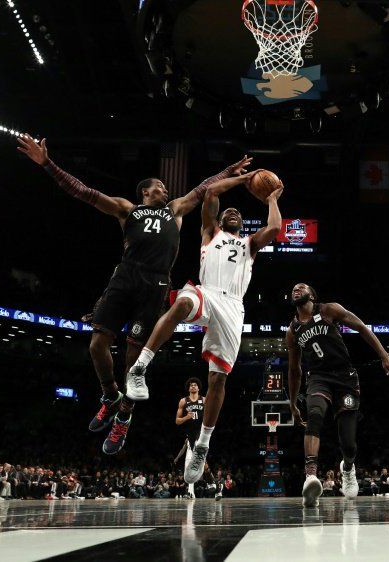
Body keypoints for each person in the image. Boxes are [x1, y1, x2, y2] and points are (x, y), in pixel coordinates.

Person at [16, 134, 252, 450]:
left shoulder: (175, 210)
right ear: (145, 191)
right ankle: (110, 396)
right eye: (160, 187)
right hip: (125, 276)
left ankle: (124, 417)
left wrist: (228, 172)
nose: (166, 190)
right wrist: (48, 164)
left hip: (156, 284)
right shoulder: (127, 209)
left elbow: (202, 189)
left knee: (133, 356)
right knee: (97, 345)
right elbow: (84, 192)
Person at [118, 179, 283, 475]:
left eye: (237, 214)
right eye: (227, 212)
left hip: (233, 306)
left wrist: (271, 199)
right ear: (218, 219)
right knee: (182, 302)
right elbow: (211, 192)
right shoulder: (210, 232)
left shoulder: (250, 243)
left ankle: (203, 445)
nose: (232, 213)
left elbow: (274, 228)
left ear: (242, 224)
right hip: (207, 292)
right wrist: (243, 179)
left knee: (217, 380)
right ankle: (140, 367)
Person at [286, 283, 389, 507]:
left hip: (345, 378)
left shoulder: (328, 309)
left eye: (301, 287)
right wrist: (292, 403)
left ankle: (347, 468)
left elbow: (362, 327)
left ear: (312, 294)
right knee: (315, 415)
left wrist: (385, 356)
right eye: (293, 289)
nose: (296, 289)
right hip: (318, 378)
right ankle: (310, 476)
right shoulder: (292, 331)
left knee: (348, 443)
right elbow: (294, 370)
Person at [175, 377, 205, 497]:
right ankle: (191, 490)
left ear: (198, 388)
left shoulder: (204, 400)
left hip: (201, 433)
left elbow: (210, 416)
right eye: (191, 385)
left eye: (195, 385)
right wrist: (186, 417)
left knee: (198, 461)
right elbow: (177, 421)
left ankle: (212, 485)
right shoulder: (183, 401)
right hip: (190, 434)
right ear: (188, 388)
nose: (193, 386)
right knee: (191, 462)